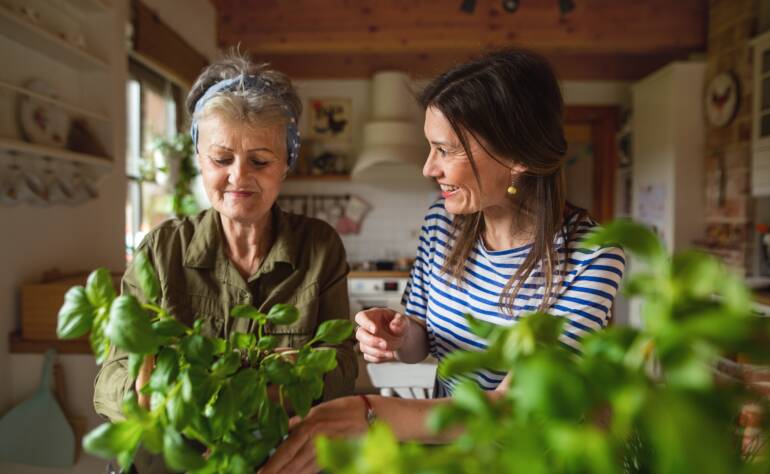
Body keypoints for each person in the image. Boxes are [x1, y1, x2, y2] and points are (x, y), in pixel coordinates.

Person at [260, 48, 625, 474]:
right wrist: (398, 334)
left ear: (517, 158)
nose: (427, 168)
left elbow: (512, 411)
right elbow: (422, 344)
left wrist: (369, 412)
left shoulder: (593, 255)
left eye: (444, 150)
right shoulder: (443, 222)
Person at [93, 52, 357, 473]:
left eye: (260, 161)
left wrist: (261, 397)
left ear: (286, 163)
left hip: (279, 458)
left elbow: (341, 362)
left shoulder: (319, 246)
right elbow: (110, 376)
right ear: (199, 157)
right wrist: (146, 391)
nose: (238, 177)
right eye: (221, 159)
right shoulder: (163, 249)